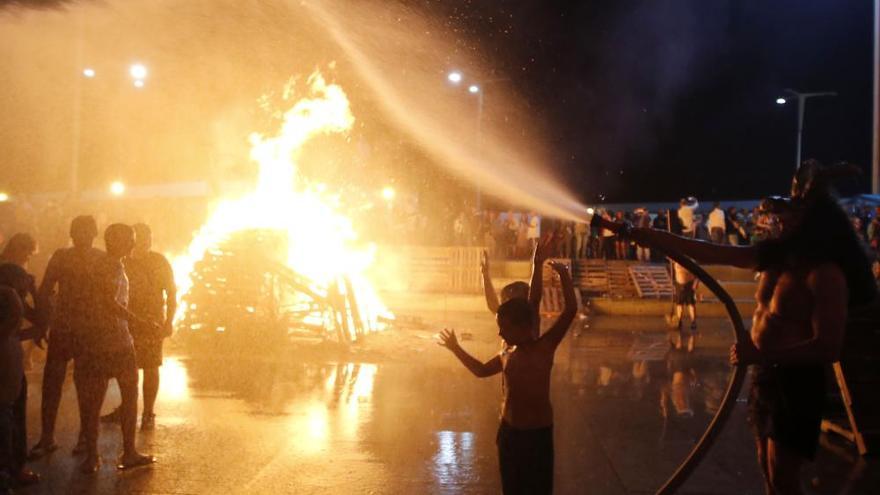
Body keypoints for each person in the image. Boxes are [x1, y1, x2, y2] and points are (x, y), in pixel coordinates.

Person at [614, 160, 876, 495]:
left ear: (813, 223)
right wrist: (652, 236)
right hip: (765, 375)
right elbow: (711, 252)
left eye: (790, 215)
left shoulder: (825, 275)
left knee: (784, 478)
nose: (778, 221)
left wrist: (763, 352)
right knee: (768, 473)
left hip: (796, 384)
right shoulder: (772, 259)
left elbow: (828, 346)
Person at [439, 260, 577, 495]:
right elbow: (481, 371)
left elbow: (569, 310)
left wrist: (561, 273)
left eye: (504, 328)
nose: (499, 333)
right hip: (509, 433)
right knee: (511, 488)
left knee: (538, 489)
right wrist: (455, 348)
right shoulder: (506, 352)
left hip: (537, 435)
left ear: (524, 327)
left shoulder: (544, 347)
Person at [76, 224, 156, 473]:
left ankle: (93, 457)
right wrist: (138, 321)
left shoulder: (107, 264)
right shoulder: (110, 265)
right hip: (116, 341)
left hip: (99, 340)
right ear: (118, 242)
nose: (134, 244)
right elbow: (108, 301)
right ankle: (128, 452)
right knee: (128, 396)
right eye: (130, 240)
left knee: (93, 400)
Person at [29, 216, 104, 459]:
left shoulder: (96, 258)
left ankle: (78, 437)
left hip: (85, 329)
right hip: (70, 327)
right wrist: (42, 323)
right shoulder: (67, 257)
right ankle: (51, 436)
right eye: (79, 232)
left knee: (82, 386)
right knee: (56, 384)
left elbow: (45, 290)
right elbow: (45, 290)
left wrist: (42, 323)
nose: (81, 236)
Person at [101, 224, 176, 430]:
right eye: (141, 237)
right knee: (127, 367)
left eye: (148, 237)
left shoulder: (159, 262)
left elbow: (171, 293)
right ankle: (126, 408)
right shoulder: (123, 261)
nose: (144, 241)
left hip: (151, 322)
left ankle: (148, 411)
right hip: (126, 321)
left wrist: (169, 320)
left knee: (151, 366)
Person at [0, 264, 43, 490]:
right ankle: (7, 475)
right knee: (6, 422)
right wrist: (35, 293)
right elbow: (19, 322)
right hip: (7, 374)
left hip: (9, 368)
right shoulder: (8, 295)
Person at [671, 262, 699, 351]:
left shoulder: (690, 261)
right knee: (679, 304)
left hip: (689, 284)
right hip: (679, 284)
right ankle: (679, 320)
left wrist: (696, 283)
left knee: (691, 304)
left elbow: (698, 273)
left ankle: (693, 321)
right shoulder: (674, 261)